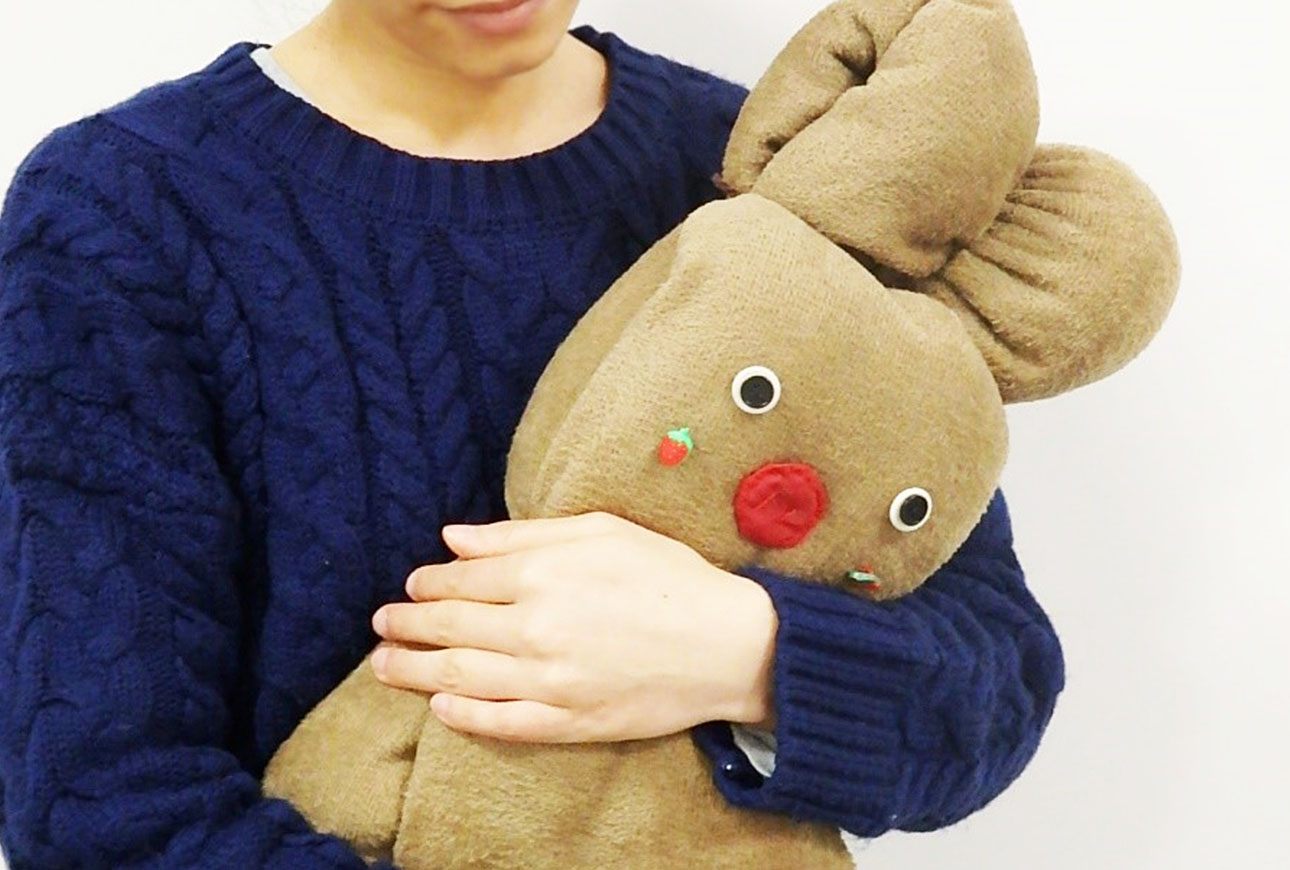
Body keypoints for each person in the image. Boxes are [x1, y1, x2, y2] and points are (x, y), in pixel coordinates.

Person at [0, 0, 1065, 867]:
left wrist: (745, 653)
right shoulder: (122, 215)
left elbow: (997, 678)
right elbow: (98, 805)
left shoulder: (774, 176)